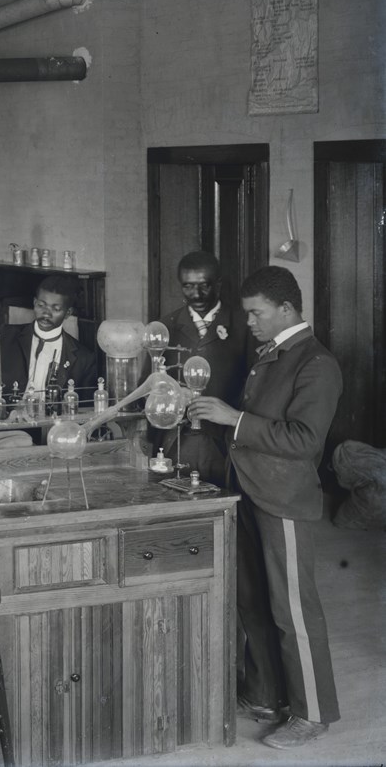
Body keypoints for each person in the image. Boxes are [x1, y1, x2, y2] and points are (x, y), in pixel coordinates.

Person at [188, 266, 341, 750]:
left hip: (284, 499)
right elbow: (251, 426)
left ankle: (313, 714)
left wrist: (233, 418)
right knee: (253, 602)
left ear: (287, 310)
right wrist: (209, 413)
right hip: (249, 491)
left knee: (293, 610)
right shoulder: (271, 354)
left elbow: (303, 440)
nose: (249, 321)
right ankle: (265, 697)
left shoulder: (315, 363)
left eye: (256, 313)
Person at [157, 250, 255, 485]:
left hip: (226, 444)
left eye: (204, 286)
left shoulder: (245, 325)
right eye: (188, 286)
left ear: (218, 284)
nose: (196, 294)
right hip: (176, 443)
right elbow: (151, 385)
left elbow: (256, 385)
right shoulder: (165, 326)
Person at [0, 274, 98, 397]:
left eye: (56, 309)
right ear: (34, 303)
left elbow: (85, 410)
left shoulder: (84, 359)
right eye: (41, 305)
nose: (46, 313)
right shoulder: (5, 335)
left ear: (68, 313)